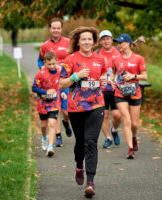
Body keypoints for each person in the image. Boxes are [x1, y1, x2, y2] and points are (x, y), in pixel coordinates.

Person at [59, 26, 108, 198]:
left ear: (94, 42)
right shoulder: (70, 59)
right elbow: (61, 84)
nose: (87, 42)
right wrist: (76, 76)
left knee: (91, 142)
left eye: (90, 39)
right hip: (76, 107)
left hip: (96, 105)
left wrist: (105, 80)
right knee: (80, 143)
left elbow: (106, 81)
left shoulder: (101, 59)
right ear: (78, 42)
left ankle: (90, 182)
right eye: (83, 39)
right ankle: (79, 166)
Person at [37, 18, 72, 147]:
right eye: (53, 28)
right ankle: (58, 136)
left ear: (61, 29)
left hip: (66, 80)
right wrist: (41, 67)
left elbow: (75, 58)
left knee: (66, 112)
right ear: (50, 29)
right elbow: (40, 60)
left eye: (58, 28)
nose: (56, 30)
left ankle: (66, 122)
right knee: (55, 108)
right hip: (52, 83)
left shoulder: (69, 43)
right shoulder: (45, 45)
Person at [112, 33, 147, 159]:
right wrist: (112, 81)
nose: (118, 45)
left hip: (135, 93)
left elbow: (145, 76)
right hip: (120, 93)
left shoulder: (139, 59)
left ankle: (133, 137)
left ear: (127, 43)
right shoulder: (116, 59)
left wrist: (134, 76)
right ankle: (130, 149)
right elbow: (113, 73)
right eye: (118, 43)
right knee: (126, 120)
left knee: (134, 124)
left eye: (120, 42)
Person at [95, 30, 122, 148]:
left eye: (108, 38)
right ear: (100, 41)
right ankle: (107, 138)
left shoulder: (119, 52)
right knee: (103, 115)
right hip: (102, 89)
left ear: (112, 40)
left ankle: (114, 130)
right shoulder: (96, 53)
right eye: (103, 39)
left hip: (117, 89)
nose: (106, 41)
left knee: (117, 115)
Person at [32, 52, 61, 157]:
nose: (52, 66)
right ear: (44, 63)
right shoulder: (40, 74)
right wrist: (45, 92)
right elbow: (34, 88)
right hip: (42, 103)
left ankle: (50, 147)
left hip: (54, 102)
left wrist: (63, 93)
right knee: (44, 125)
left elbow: (63, 83)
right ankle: (44, 138)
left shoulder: (59, 72)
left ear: (56, 61)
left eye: (54, 64)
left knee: (52, 124)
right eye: (49, 64)